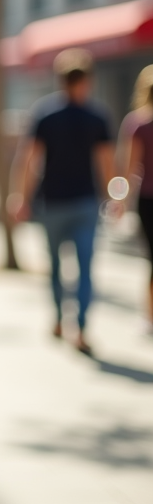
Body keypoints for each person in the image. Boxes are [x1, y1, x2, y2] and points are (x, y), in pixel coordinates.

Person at [9, 49, 114, 355]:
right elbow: (106, 162)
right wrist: (113, 197)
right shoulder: (97, 116)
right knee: (84, 268)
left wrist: (21, 198)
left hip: (53, 202)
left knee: (56, 267)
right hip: (84, 202)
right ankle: (79, 328)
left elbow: (27, 161)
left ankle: (58, 320)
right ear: (87, 81)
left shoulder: (45, 114)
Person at [115, 65, 153, 334]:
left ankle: (149, 313)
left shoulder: (138, 123)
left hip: (148, 199)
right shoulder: (138, 123)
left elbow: (128, 168)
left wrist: (120, 201)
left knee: (151, 258)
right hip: (149, 197)